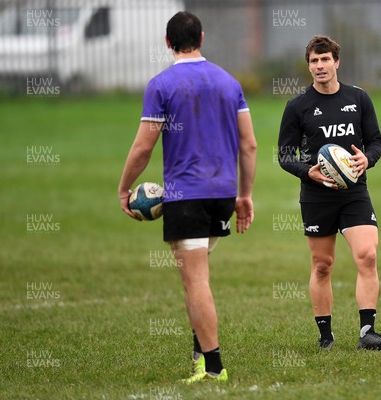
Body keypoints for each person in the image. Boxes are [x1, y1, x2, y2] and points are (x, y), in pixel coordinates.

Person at [118, 11, 257, 383]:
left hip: (186, 195)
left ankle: (213, 366)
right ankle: (200, 358)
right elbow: (250, 145)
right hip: (223, 193)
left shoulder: (161, 85)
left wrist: (123, 188)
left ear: (167, 42)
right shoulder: (229, 82)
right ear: (202, 37)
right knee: (198, 278)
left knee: (195, 281)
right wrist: (244, 195)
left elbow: (143, 148)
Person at [278, 35, 381, 351]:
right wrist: (308, 171)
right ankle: (325, 337)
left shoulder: (358, 99)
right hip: (317, 196)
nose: (319, 66)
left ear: (336, 62)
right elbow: (285, 154)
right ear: (309, 66)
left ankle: (367, 332)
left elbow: (376, 141)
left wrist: (367, 158)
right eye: (314, 61)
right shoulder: (298, 106)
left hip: (354, 192)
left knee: (367, 255)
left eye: (325, 59)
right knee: (322, 265)